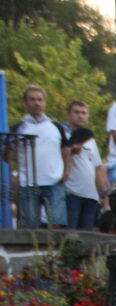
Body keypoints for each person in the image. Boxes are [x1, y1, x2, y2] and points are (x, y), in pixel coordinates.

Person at [14, 85, 70, 229]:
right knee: (31, 227)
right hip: (28, 183)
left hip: (54, 181)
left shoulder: (56, 126)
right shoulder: (19, 127)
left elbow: (65, 149)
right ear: (26, 103)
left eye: (40, 100)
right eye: (32, 100)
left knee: (57, 224)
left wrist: (66, 171)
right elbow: (10, 153)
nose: (37, 103)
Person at [63, 101, 107, 231]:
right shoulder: (63, 135)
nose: (80, 116)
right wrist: (70, 151)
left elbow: (97, 167)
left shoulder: (90, 140)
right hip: (71, 192)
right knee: (70, 233)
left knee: (87, 234)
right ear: (69, 114)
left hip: (90, 195)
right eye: (76, 112)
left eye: (83, 113)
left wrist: (103, 192)